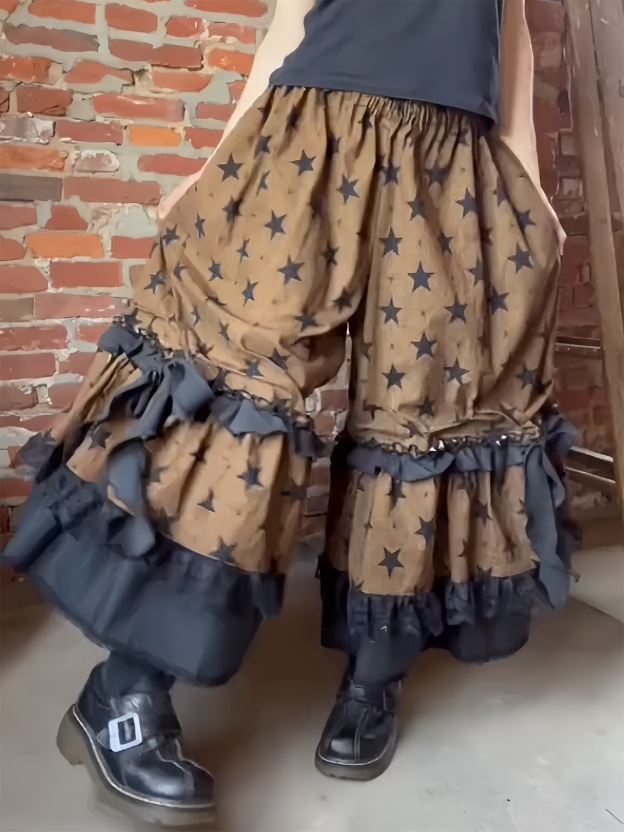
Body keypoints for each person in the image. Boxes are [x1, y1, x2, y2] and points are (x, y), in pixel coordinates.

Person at [3, 0, 576, 826]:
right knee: (238, 386)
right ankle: (124, 694)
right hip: (315, 130)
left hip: (461, 160)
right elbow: (293, 11)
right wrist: (220, 157)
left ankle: (375, 679)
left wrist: (528, 177)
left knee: (434, 413)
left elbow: (509, 24)